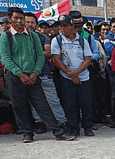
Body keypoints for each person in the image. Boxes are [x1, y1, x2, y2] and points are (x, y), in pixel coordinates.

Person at [0, 7, 74, 142]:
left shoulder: (33, 36)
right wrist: (20, 74)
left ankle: (58, 132)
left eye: (21, 18)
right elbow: (5, 58)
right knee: (19, 106)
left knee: (42, 105)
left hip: (33, 76)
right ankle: (27, 133)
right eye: (16, 18)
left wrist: (35, 73)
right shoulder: (6, 36)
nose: (19, 21)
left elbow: (40, 57)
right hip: (15, 77)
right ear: (10, 19)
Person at [23, 12, 68, 134]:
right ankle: (39, 123)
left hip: (43, 73)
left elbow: (48, 53)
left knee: (53, 99)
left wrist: (28, 56)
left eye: (32, 22)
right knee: (34, 102)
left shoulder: (42, 37)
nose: (30, 24)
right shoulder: (16, 38)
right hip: (25, 75)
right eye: (27, 22)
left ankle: (62, 122)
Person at [51, 13, 94, 137]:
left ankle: (88, 127)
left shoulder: (82, 40)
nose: (62, 29)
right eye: (60, 26)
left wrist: (77, 72)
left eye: (65, 26)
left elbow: (87, 60)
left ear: (72, 26)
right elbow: (57, 60)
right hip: (66, 78)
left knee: (86, 103)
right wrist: (71, 75)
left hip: (83, 77)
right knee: (70, 104)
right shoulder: (57, 40)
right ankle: (74, 127)